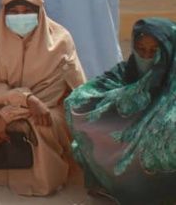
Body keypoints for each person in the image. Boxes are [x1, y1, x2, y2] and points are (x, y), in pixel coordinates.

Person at [0, 0, 86, 196]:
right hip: (8, 101)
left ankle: (46, 179)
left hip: (50, 106)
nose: (20, 17)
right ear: (4, 12)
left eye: (27, 12)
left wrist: (9, 114)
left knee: (39, 123)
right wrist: (24, 101)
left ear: (39, 12)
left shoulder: (60, 41)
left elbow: (58, 94)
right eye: (14, 12)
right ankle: (3, 174)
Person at [65, 18, 176, 204]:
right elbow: (78, 100)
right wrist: (132, 94)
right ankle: (114, 185)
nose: (147, 57)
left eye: (154, 52)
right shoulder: (125, 72)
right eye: (141, 50)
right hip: (122, 149)